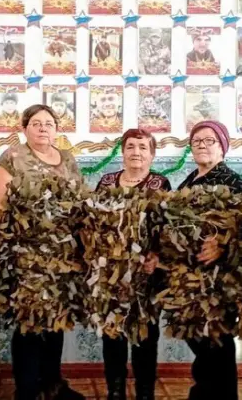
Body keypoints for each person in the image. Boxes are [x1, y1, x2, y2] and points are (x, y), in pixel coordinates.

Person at [0, 104, 85, 400]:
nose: (43, 128)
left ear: (57, 129)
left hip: (63, 258)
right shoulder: (12, 158)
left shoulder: (67, 159)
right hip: (27, 257)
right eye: (36, 123)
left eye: (49, 123)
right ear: (25, 128)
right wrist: (8, 247)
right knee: (29, 323)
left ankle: (52, 385)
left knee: (56, 320)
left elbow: (81, 200)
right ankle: (27, 389)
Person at [95, 129, 170, 400]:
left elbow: (168, 228)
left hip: (146, 276)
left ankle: (144, 393)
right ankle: (115, 391)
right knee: (112, 333)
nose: (136, 152)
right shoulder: (107, 182)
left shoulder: (160, 184)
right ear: (123, 151)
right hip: (111, 275)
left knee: (145, 336)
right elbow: (94, 224)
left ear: (152, 154)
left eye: (142, 147)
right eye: (130, 146)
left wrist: (157, 256)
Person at [177, 120, 242, 400]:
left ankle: (221, 395)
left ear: (222, 147)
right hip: (190, 275)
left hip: (218, 277)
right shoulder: (189, 180)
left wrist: (222, 244)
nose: (202, 146)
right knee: (198, 336)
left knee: (217, 340)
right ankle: (204, 391)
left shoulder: (231, 181)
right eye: (197, 141)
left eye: (209, 141)